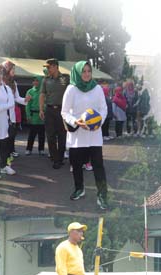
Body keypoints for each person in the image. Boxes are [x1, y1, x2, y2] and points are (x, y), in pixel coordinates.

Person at [62, 61, 109, 210]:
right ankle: (79, 189)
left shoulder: (97, 89)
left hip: (94, 135)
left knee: (98, 167)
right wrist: (75, 121)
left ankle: (102, 194)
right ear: (77, 73)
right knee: (76, 166)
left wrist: (97, 123)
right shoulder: (71, 89)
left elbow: (103, 108)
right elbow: (64, 111)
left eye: (89, 71)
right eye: (84, 71)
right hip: (78, 136)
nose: (87, 74)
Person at [39, 59, 68, 168]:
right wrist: (41, 109)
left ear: (55, 66)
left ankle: (59, 158)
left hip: (62, 111)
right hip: (50, 110)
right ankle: (55, 158)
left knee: (62, 135)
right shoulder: (45, 80)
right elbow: (42, 95)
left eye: (49, 67)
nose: (47, 69)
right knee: (50, 136)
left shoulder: (65, 78)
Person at [0, 60, 26, 158]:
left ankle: (9, 152)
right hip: (2, 111)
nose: (14, 71)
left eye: (14, 69)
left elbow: (17, 98)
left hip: (11, 112)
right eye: (12, 69)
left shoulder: (14, 83)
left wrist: (26, 100)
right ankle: (3, 157)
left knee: (11, 133)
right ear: (6, 69)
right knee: (2, 135)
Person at [24, 76, 45, 156]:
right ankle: (29, 149)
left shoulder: (43, 91)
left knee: (42, 134)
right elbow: (27, 105)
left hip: (41, 116)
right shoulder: (30, 91)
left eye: (37, 81)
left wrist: (44, 111)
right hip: (33, 116)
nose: (35, 82)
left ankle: (41, 149)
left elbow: (45, 103)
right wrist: (28, 115)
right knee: (31, 134)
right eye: (34, 81)